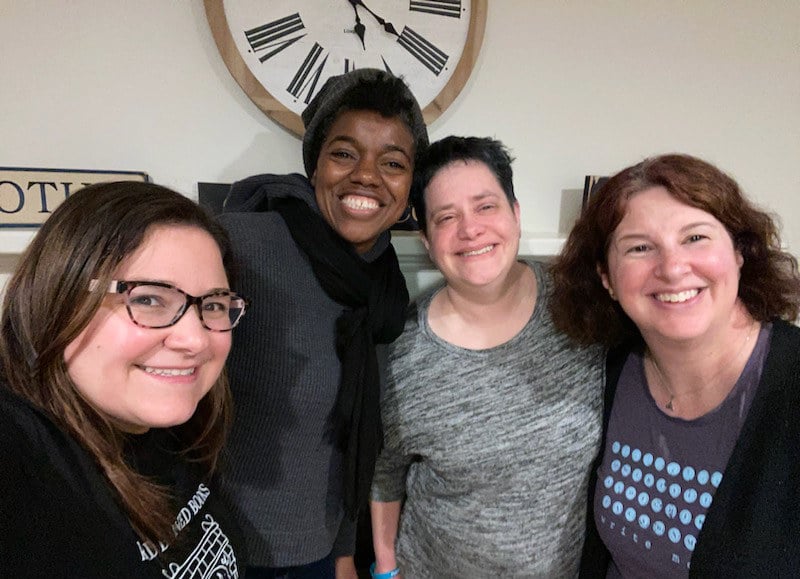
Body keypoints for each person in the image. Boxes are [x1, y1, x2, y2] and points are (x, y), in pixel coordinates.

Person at [216, 68, 429, 578]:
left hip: (319, 550)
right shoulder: (242, 246)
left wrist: (341, 552)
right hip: (225, 549)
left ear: (409, 188)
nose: (367, 175)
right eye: (344, 153)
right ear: (315, 166)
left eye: (393, 162)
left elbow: (345, 433)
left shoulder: (382, 285)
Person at [550, 154, 800, 577]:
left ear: (740, 251)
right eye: (640, 248)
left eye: (695, 237)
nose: (672, 268)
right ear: (607, 278)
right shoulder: (610, 370)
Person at [369, 136, 605, 578]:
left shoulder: (584, 310)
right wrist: (385, 569)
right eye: (446, 217)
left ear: (515, 215)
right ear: (426, 238)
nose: (470, 229)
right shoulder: (401, 350)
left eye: (485, 207)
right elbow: (387, 470)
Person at [0, 181, 248, 578]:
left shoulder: (172, 429)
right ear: (58, 297)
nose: (196, 339)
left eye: (214, 304)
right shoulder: (24, 457)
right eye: (147, 298)